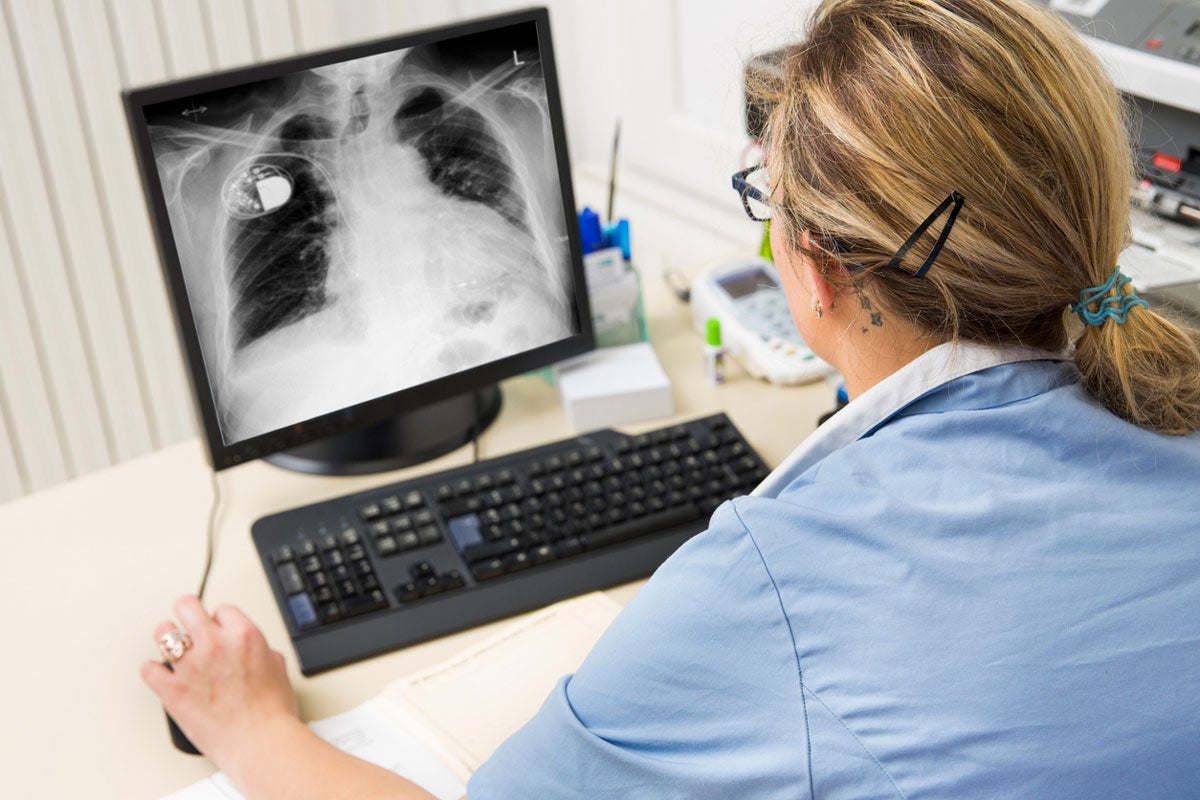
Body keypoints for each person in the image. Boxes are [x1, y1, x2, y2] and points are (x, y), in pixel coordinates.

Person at [143, 0, 1200, 797]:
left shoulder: (774, 581)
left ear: (816, 270)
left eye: (767, 202)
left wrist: (253, 731)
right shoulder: (1172, 407)